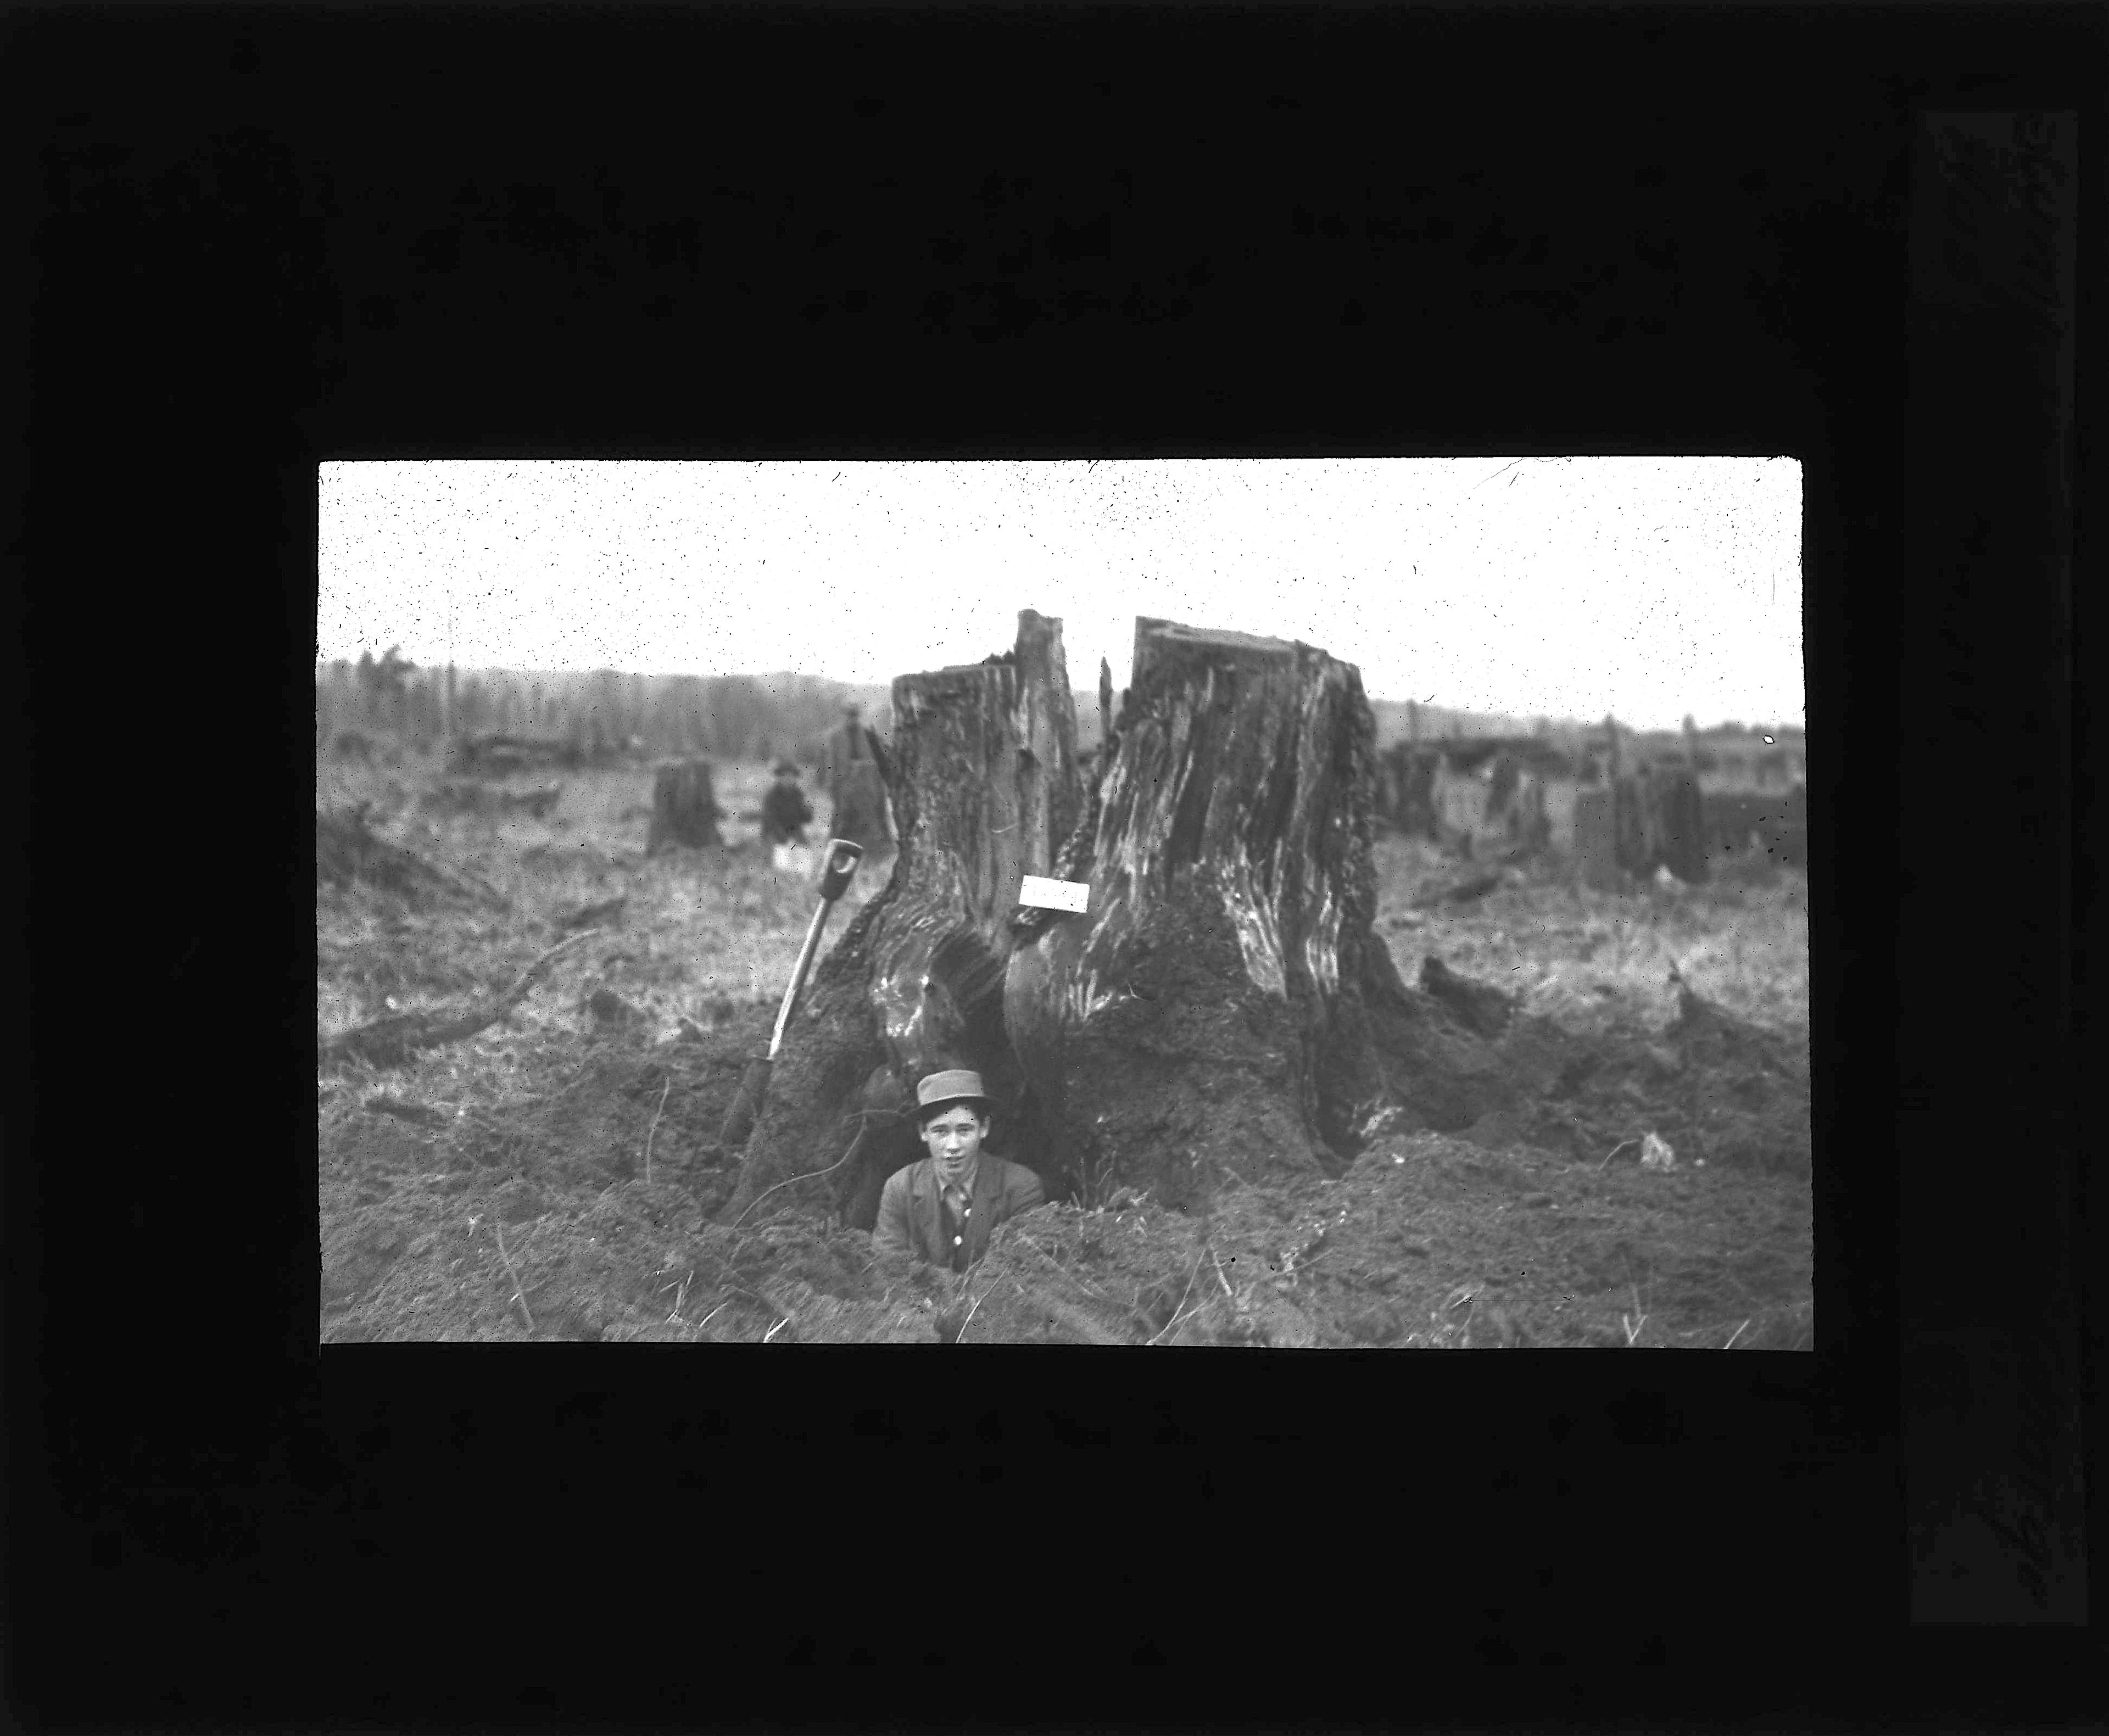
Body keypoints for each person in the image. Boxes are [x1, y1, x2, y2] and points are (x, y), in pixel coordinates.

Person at [871, 1070, 1046, 1272]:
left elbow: (1030, 1271)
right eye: (941, 1132)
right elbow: (887, 1267)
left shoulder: (1020, 1186)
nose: (953, 1145)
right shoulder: (901, 1188)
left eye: (964, 1130)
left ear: (984, 1128)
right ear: (923, 1132)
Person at [819, 699, 893, 851]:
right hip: (843, 783)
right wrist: (831, 784)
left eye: (854, 715)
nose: (851, 719)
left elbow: (880, 756)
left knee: (872, 816)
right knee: (841, 818)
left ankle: (872, 848)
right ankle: (837, 850)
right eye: (848, 715)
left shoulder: (868, 734)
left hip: (867, 782)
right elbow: (830, 763)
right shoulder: (835, 736)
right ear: (843, 716)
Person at [759, 759, 814, 847]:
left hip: (794, 831)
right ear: (779, 778)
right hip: (774, 832)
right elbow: (770, 821)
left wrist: (808, 810)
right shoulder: (772, 796)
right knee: (779, 852)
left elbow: (806, 819)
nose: (788, 779)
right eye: (785, 776)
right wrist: (784, 839)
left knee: (805, 850)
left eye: (792, 777)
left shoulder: (798, 794)